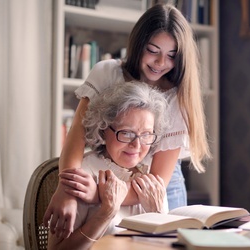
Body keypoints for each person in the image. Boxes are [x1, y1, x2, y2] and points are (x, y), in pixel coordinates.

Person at [44, 3, 211, 239]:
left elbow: (158, 181)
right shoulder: (107, 73)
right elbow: (76, 138)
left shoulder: (177, 97)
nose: (160, 62)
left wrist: (97, 195)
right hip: (107, 172)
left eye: (172, 55)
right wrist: (67, 190)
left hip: (158, 185)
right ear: (138, 44)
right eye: (153, 50)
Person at [47, 81, 168, 250]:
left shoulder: (151, 178)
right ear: (104, 128)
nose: (137, 145)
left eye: (146, 134)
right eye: (126, 133)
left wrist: (157, 215)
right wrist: (105, 214)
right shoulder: (83, 174)